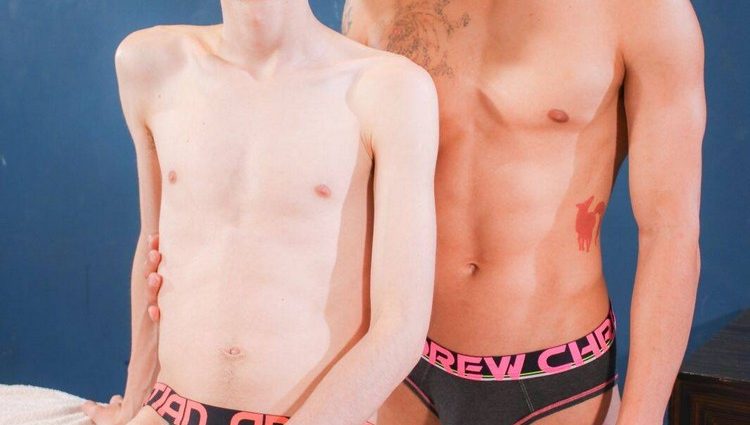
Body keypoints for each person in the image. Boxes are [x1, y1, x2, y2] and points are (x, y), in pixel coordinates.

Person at [141, 0, 706, 423]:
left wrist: (643, 418)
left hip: (554, 378)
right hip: (396, 375)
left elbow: (670, 232)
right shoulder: (374, 6)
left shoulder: (643, 12)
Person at [82, 1, 440, 424]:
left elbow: (400, 326)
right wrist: (132, 405)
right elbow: (153, 246)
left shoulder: (391, 88)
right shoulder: (151, 64)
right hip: (170, 410)